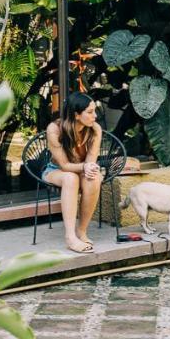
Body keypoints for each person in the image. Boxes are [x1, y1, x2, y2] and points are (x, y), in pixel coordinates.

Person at [42, 92, 103, 253]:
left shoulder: (94, 129)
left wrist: (89, 167)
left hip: (81, 168)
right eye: (90, 112)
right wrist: (85, 167)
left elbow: (91, 160)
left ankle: (81, 231)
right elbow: (64, 165)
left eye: (94, 111)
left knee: (94, 178)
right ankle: (70, 237)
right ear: (76, 115)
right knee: (70, 178)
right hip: (56, 170)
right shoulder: (54, 129)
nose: (94, 116)